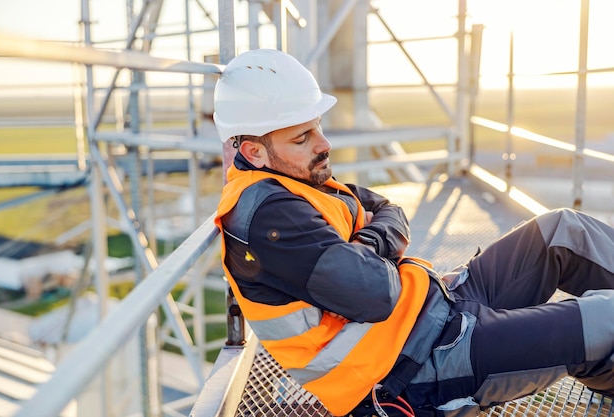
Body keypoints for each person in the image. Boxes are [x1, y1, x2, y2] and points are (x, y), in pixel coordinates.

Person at [212, 48, 614, 417]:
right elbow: (375, 293)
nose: (324, 143)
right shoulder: (269, 220)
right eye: (302, 137)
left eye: (317, 126)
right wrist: (373, 247)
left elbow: (389, 210)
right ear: (254, 152)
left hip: (435, 307)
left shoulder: (299, 177)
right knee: (606, 320)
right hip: (416, 371)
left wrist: (366, 245)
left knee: (563, 231)